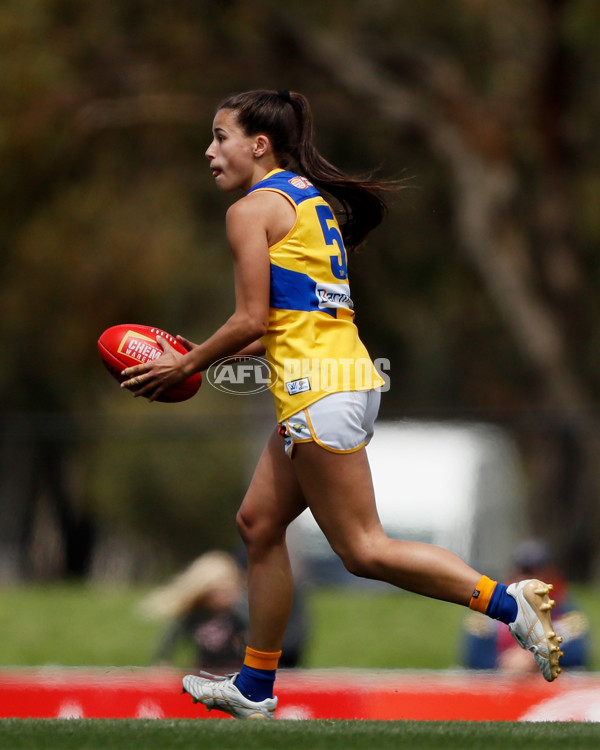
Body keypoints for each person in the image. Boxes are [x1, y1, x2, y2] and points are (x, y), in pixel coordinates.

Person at [120, 89, 563, 719]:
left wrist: (188, 362)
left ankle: (506, 604)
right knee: (258, 523)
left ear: (259, 144)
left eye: (221, 136)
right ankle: (254, 685)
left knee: (364, 549)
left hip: (318, 389)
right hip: (337, 377)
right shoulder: (305, 198)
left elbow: (250, 317)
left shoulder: (251, 210)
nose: (210, 151)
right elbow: (293, 312)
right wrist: (223, 352)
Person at [461, 539, 591, 673]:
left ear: (550, 575)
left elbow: (577, 659)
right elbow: (474, 660)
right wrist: (509, 664)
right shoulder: (487, 614)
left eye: (536, 572)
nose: (528, 580)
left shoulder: (566, 614)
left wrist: (533, 659)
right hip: (501, 684)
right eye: (523, 571)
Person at [139, 551, 248, 672]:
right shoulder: (193, 615)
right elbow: (170, 642)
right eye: (215, 593)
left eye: (226, 591)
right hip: (205, 673)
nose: (222, 597)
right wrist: (163, 663)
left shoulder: (242, 612)